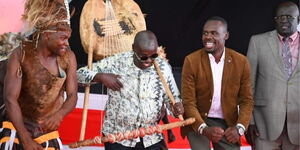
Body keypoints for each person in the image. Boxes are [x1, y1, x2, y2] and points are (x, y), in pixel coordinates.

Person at [77, 30, 184, 150]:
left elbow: (172, 99)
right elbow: (78, 75)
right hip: (119, 137)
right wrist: (101, 77)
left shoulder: (163, 67)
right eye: (144, 56)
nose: (149, 61)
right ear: (134, 48)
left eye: (154, 55)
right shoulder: (116, 62)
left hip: (151, 136)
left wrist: (176, 107)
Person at [0, 0, 78, 149]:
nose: (67, 43)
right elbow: (10, 99)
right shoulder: (21, 54)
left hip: (46, 133)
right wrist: (25, 138)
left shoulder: (69, 57)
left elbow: (73, 95)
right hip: (17, 129)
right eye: (63, 38)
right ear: (47, 35)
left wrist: (59, 114)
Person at [180, 16, 254, 150]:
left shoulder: (241, 62)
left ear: (226, 35)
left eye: (214, 33)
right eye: (205, 33)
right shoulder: (191, 61)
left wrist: (239, 128)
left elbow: (246, 100)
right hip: (198, 119)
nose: (208, 37)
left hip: (227, 122)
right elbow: (188, 102)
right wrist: (204, 129)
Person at [246, 1, 300, 149]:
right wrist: (249, 121)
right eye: (280, 17)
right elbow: (248, 85)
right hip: (264, 125)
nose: (284, 21)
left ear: (299, 19)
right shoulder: (258, 42)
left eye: (289, 17)